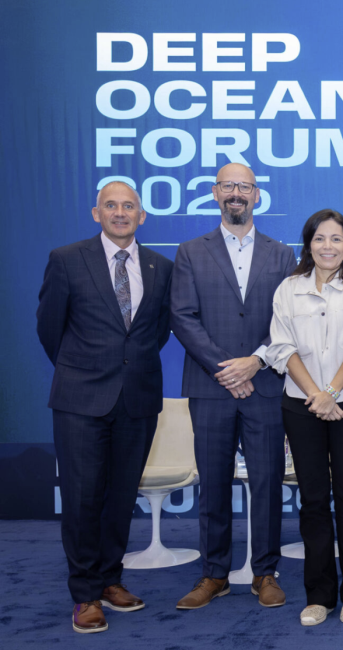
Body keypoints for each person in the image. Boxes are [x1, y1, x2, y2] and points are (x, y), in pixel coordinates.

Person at [37, 181, 174, 633]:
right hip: (80, 399)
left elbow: (155, 332)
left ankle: (111, 579)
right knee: (82, 498)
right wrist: (83, 369)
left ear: (142, 216)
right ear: (96, 213)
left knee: (120, 496)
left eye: (128, 206)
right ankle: (85, 594)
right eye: (110, 205)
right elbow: (50, 328)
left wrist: (126, 368)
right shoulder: (66, 259)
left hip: (137, 398)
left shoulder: (160, 267)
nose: (120, 212)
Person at [170, 163, 297, 611]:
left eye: (244, 186)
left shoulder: (282, 255)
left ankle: (265, 572)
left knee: (267, 482)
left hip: (264, 385)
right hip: (211, 387)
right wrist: (225, 369)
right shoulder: (190, 252)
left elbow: (288, 320)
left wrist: (254, 362)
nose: (236, 193)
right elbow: (182, 316)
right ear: (215, 193)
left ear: (257, 195)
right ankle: (214, 574)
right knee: (213, 483)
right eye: (228, 186)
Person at [266, 209, 343, 626]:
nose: (328, 246)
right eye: (319, 238)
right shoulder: (288, 289)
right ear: (308, 244)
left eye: (336, 239)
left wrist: (330, 393)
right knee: (313, 500)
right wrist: (316, 395)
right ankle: (319, 594)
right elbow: (281, 347)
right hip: (302, 405)